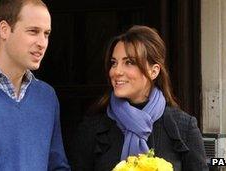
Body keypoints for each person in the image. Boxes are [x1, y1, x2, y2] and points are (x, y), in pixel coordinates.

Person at [69, 25, 208, 171]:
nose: (116, 71)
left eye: (129, 62)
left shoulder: (183, 128)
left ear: (154, 71)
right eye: (114, 63)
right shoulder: (92, 129)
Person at [0, 0, 70, 170]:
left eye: (46, 34)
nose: (42, 43)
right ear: (4, 30)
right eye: (33, 31)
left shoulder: (46, 97)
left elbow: (57, 167)